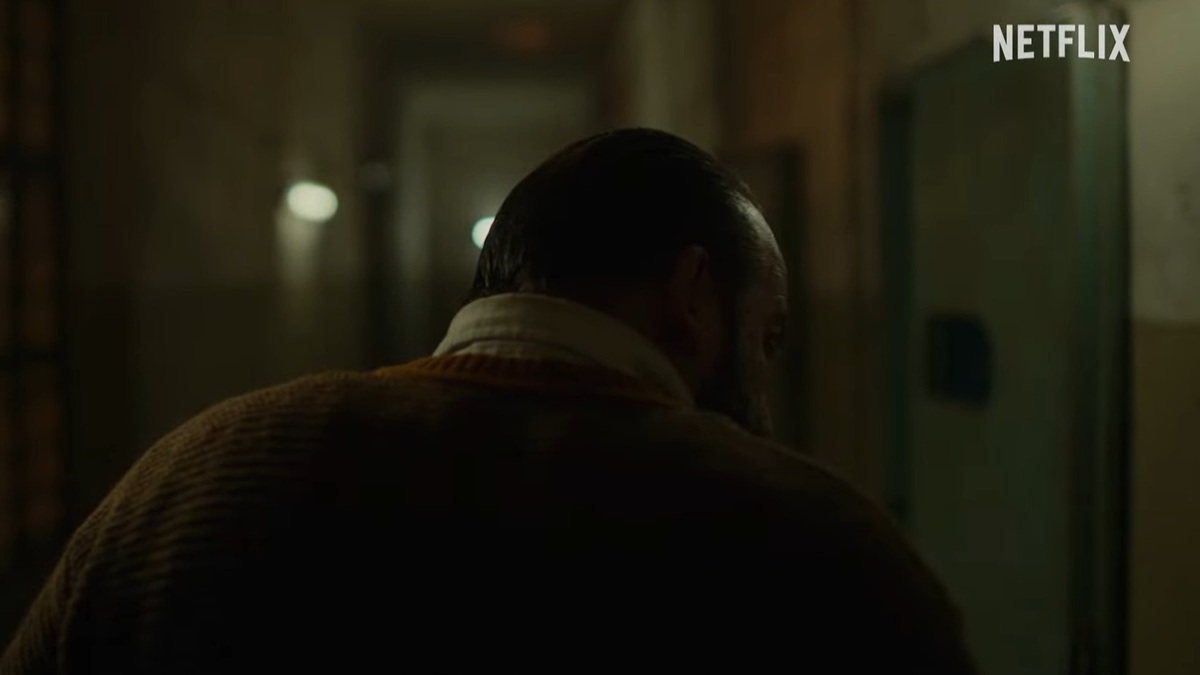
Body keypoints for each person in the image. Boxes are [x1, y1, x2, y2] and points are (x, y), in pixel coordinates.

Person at [1, 128, 976, 674]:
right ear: (692, 298)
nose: (764, 378)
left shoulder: (189, 476)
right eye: (767, 334)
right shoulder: (808, 545)